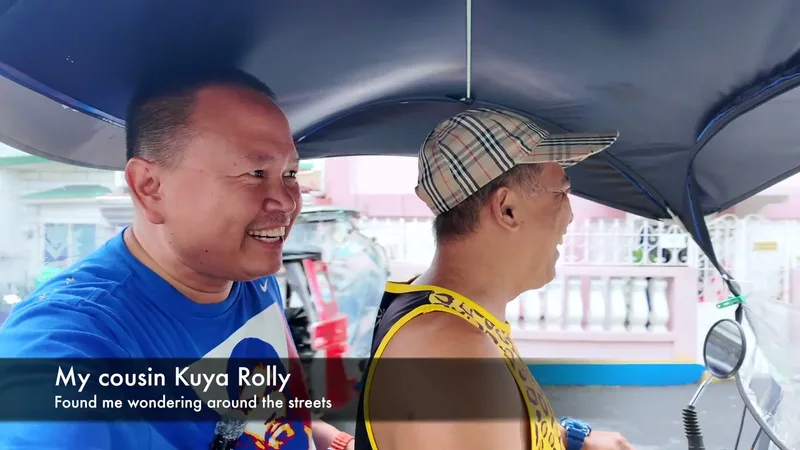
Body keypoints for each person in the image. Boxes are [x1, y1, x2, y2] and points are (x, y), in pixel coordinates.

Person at [0, 69, 354, 450]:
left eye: (289, 173)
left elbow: (272, 413)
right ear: (150, 188)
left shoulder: (249, 272)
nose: (286, 201)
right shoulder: (73, 347)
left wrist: (330, 437)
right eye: (255, 173)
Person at [354, 108, 635, 450]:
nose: (570, 214)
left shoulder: (446, 316)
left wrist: (571, 441)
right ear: (507, 209)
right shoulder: (454, 355)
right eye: (559, 193)